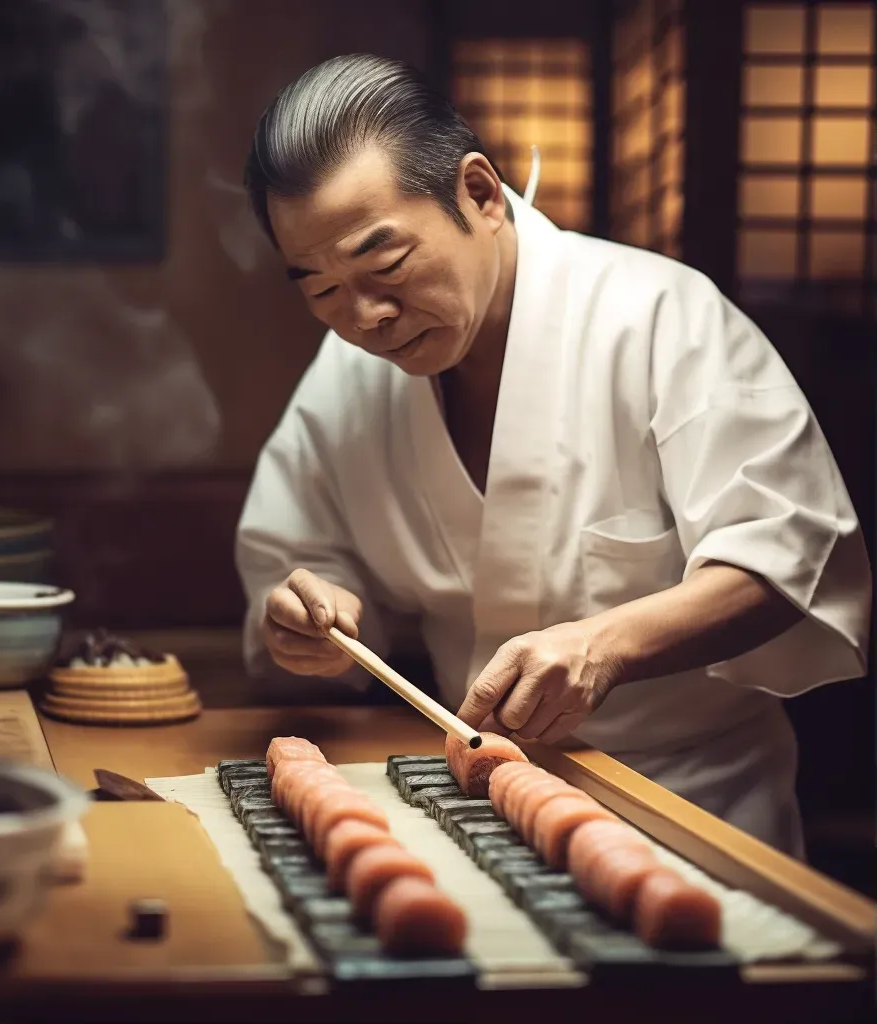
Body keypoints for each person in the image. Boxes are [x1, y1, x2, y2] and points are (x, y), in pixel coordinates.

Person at [234, 54, 871, 857]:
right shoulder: (348, 378)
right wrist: (306, 615)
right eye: (322, 290)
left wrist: (601, 646)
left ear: (479, 194)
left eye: (385, 265)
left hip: (684, 804)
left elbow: (783, 557)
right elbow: (292, 559)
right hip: (463, 805)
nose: (367, 317)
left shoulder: (660, 317)